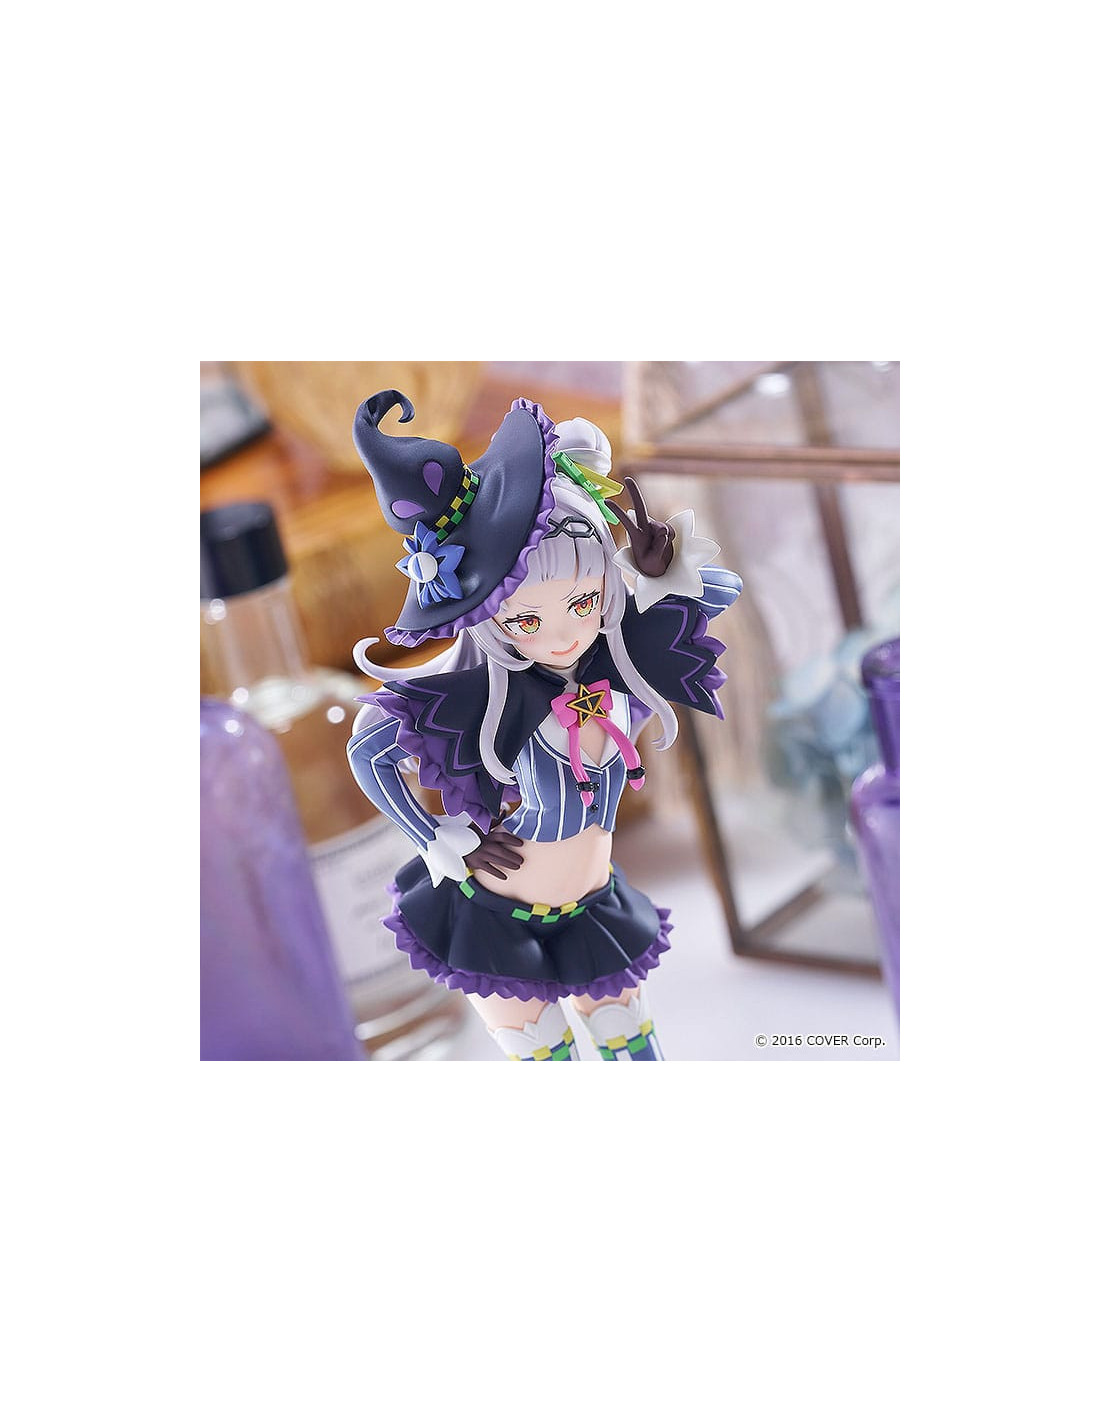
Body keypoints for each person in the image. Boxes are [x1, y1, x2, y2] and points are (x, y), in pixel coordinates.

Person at [346, 390, 741, 1060]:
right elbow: (368, 749)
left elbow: (717, 597)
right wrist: (436, 837)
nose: (561, 637)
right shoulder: (486, 695)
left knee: (635, 1054)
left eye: (584, 603)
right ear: (489, 619)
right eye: (526, 619)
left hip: (592, 909)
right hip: (494, 920)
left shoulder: (619, 667)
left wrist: (658, 574)